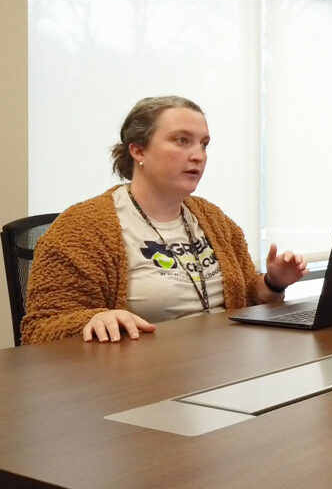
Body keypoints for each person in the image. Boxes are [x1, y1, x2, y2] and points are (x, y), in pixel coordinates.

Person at [20, 96, 309, 344]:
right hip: (139, 379)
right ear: (138, 150)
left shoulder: (215, 220)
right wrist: (95, 319)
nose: (198, 155)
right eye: (182, 141)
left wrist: (273, 283)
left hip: (221, 364)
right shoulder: (82, 228)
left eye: (204, 144)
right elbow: (40, 328)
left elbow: (245, 299)